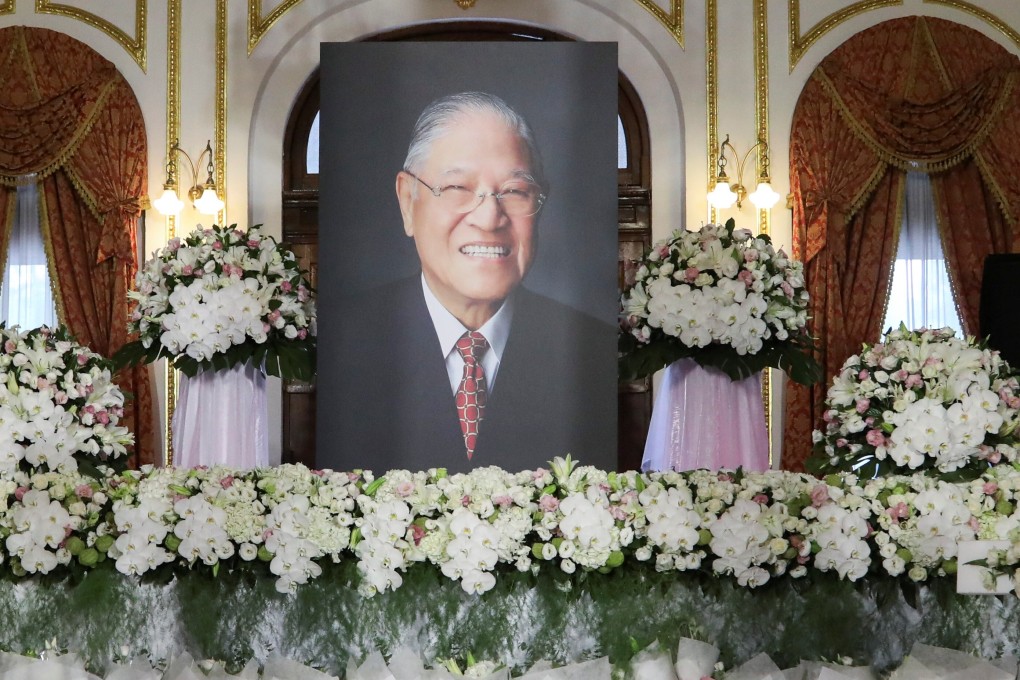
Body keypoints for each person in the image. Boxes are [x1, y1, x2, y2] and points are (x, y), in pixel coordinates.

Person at [330, 91, 616, 474]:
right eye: (457, 188)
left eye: (515, 191)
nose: (489, 217)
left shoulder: (593, 353)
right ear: (407, 201)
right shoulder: (336, 342)